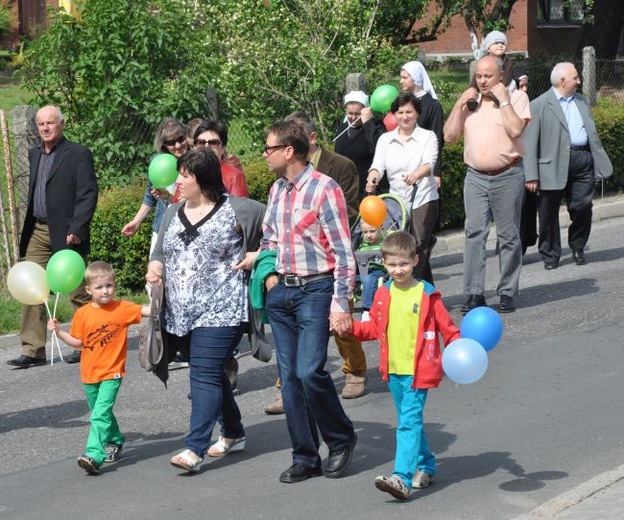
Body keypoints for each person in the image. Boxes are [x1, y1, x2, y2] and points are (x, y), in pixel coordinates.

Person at [146, 148, 265, 473]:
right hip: (180, 313)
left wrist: (259, 255)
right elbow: (160, 251)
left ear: (203, 179)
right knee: (211, 373)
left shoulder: (237, 210)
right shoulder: (173, 211)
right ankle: (234, 431)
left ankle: (194, 448)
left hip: (223, 309)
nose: (178, 180)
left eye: (185, 175)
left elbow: (276, 230)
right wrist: (155, 268)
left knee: (202, 373)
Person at [260, 120, 358, 484]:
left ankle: (340, 438)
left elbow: (344, 252)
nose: (265, 154)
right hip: (282, 292)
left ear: (289, 151)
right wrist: (269, 277)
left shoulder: (324, 189)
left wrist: (340, 302)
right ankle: (304, 455)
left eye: (269, 148)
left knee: (309, 371)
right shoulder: (276, 190)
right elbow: (269, 238)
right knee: (289, 379)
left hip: (316, 290)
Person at [350, 232, 460, 500]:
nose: (398, 270)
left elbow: (449, 329)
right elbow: (374, 328)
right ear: (384, 263)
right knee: (409, 421)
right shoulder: (383, 292)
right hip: (394, 372)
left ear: (415, 260)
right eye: (392, 265)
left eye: (404, 264)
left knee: (407, 424)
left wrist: (459, 348)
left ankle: (401, 477)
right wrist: (348, 327)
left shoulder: (426, 295)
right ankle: (427, 465)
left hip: (418, 371)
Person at [276, 110, 367, 400]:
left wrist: (318, 230)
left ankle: (355, 370)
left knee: (342, 322)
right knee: (294, 339)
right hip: (297, 266)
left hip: (329, 257)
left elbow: (350, 208)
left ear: (311, 138)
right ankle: (287, 387)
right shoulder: (281, 181)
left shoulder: (339, 166)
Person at [8, 105, 98, 369]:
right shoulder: (34, 153)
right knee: (32, 289)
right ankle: (32, 350)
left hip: (68, 232)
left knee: (77, 291)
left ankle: (84, 343)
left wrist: (78, 228)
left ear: (61, 124)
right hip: (38, 229)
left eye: (50, 123)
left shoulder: (78, 154)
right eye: (41, 124)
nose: (45, 128)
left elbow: (88, 194)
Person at [444, 55, 531, 314]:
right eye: (479, 76)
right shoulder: (471, 103)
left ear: (501, 76)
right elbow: (449, 136)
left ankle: (506, 292)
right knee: (474, 234)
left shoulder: (516, 98)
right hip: (476, 177)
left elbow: (516, 130)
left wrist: (503, 99)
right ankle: (474, 293)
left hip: (507, 174)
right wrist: (460, 102)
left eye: (488, 76)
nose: (482, 81)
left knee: (508, 236)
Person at [47, 261, 150, 475]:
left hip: (112, 373)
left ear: (114, 285)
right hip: (89, 374)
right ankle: (115, 439)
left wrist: (162, 294)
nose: (105, 291)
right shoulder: (83, 314)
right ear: (88, 290)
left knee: (98, 414)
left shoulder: (122, 308)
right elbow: (78, 342)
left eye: (109, 285)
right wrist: (59, 332)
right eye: (99, 287)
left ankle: (93, 455)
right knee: (100, 412)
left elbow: (147, 310)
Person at [524, 62, 613, 270]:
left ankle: (578, 246)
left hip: (582, 161)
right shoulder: (539, 105)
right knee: (548, 212)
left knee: (582, 206)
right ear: (562, 81)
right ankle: (550, 254)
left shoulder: (581, 101)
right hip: (551, 164)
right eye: (575, 78)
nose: (579, 81)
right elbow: (530, 142)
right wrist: (531, 175)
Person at [122, 118, 190, 369]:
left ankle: (185, 344)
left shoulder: (193, 162)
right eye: (170, 142)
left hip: (187, 230)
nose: (176, 145)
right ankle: (166, 343)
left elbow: (197, 197)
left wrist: (170, 195)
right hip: (162, 229)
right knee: (155, 286)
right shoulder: (159, 164)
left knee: (182, 285)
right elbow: (149, 198)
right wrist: (136, 221)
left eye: (180, 139)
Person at [366, 93, 439, 284]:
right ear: (394, 115)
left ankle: (412, 288)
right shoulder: (385, 140)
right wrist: (372, 178)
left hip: (423, 197)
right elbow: (377, 166)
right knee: (403, 247)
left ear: (417, 114)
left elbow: (429, 164)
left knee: (417, 243)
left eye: (409, 112)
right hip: (396, 201)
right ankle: (427, 289)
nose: (405, 116)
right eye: (400, 112)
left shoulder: (427, 136)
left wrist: (416, 174)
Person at [333, 90, 387, 199]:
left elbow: (381, 147)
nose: (353, 118)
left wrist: (368, 123)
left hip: (369, 189)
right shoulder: (342, 128)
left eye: (357, 114)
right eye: (350, 113)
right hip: (347, 188)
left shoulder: (376, 127)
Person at [399, 61, 444, 187]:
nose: (401, 81)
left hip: (424, 165)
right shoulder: (405, 102)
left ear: (416, 78)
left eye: (405, 78)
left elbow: (437, 138)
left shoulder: (433, 105)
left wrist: (436, 172)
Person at [467, 31, 527, 111]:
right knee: (476, 91)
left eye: (503, 43)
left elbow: (510, 74)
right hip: (485, 89)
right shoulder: (483, 61)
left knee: (512, 85)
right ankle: (473, 102)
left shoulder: (507, 62)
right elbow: (475, 79)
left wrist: (500, 90)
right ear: (488, 48)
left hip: (504, 89)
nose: (500, 45)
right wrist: (471, 94)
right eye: (496, 43)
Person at [193, 120, 249, 197]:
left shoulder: (234, 176)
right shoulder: (187, 174)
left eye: (213, 143)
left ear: (223, 148)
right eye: (201, 142)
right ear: (194, 147)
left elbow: (239, 208)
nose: (206, 147)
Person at [355, 221, 387, 322]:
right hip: (362, 271)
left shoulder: (384, 242)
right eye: (365, 232)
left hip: (379, 271)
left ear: (381, 228)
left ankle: (366, 309)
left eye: (372, 231)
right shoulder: (361, 244)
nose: (368, 235)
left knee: (369, 279)